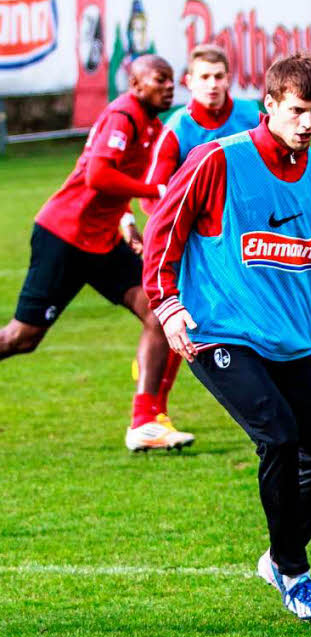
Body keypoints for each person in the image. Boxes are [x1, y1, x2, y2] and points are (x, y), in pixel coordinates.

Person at [143, 53, 311, 623]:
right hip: (217, 332)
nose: (308, 122)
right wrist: (168, 307)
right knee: (278, 434)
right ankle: (294, 572)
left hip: (290, 342)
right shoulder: (219, 158)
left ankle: (278, 556)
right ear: (268, 105)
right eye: (297, 110)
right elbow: (163, 230)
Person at [0, 55, 194, 452]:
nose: (169, 86)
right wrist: (155, 192)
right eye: (160, 79)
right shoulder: (123, 114)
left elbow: (115, 184)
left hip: (102, 240)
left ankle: (144, 423)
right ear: (136, 85)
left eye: (172, 80)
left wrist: (125, 221)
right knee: (22, 338)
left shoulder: (150, 125)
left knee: (159, 310)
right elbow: (98, 175)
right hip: (65, 236)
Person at [138, 44, 261, 432]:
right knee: (175, 318)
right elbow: (153, 195)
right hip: (193, 245)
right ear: (189, 82)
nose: (212, 85)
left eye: (219, 76)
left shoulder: (250, 116)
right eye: (203, 77)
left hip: (244, 241)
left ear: (229, 79)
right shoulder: (178, 129)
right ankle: (150, 411)